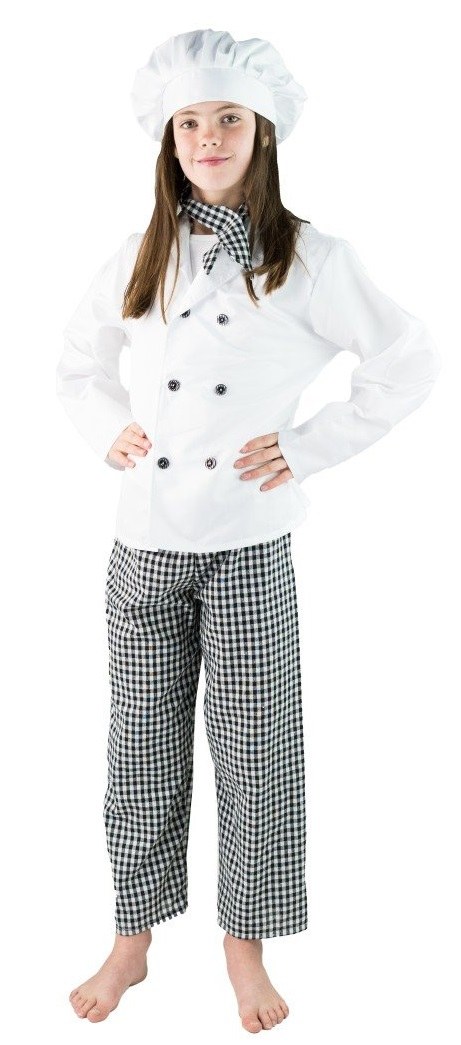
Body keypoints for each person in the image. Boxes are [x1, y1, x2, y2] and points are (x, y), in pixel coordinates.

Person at [56, 28, 441, 1032]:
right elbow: (76, 364)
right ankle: (132, 936)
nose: (208, 137)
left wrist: (305, 448)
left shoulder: (312, 258)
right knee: (139, 749)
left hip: (247, 546)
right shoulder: (138, 253)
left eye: (227, 117)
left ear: (263, 130)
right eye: (189, 122)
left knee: (257, 755)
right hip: (143, 543)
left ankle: (244, 945)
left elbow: (406, 359)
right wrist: (108, 429)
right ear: (168, 139)